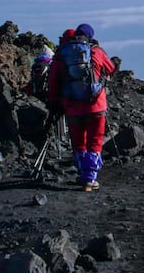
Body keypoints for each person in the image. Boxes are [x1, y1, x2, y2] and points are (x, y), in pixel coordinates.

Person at [47, 23, 116, 191]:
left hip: (72, 107)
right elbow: (111, 68)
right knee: (94, 141)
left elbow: (53, 81)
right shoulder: (96, 52)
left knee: (78, 143)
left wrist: (54, 102)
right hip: (96, 107)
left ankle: (82, 173)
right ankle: (90, 178)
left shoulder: (62, 54)